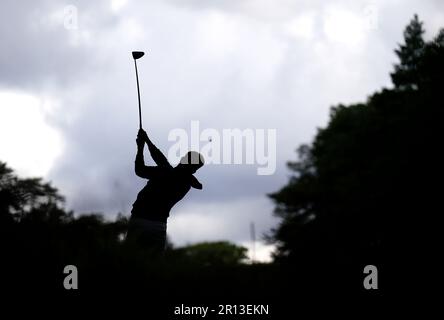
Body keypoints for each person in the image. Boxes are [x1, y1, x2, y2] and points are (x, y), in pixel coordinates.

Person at [126, 128, 204, 254]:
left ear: (184, 161)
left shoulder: (166, 172)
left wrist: (141, 147)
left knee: (130, 260)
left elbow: (140, 170)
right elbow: (161, 160)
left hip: (140, 221)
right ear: (194, 170)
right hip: (159, 226)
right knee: (153, 266)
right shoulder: (186, 184)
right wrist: (147, 141)